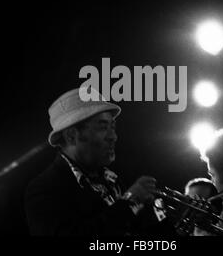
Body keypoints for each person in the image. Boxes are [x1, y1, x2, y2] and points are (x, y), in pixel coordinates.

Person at [24, 87, 157, 236]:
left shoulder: (113, 179)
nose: (113, 136)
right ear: (71, 136)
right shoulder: (43, 189)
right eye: (103, 127)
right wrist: (129, 203)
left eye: (112, 127)